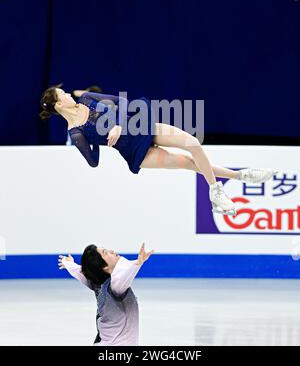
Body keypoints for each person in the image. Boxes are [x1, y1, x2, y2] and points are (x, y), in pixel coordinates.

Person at [39, 83, 277, 215]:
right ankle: (239, 176)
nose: (69, 94)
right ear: (59, 104)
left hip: (139, 124)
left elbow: (121, 101)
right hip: (135, 152)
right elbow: (93, 162)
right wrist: (97, 143)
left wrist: (118, 126)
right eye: (63, 94)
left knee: (193, 145)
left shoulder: (88, 98)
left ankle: (221, 187)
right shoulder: (75, 133)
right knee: (187, 163)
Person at [58, 242, 154, 346]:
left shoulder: (95, 281)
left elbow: (79, 271)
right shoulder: (115, 287)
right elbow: (123, 278)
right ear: (105, 268)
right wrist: (137, 263)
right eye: (106, 253)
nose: (112, 251)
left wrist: (68, 263)